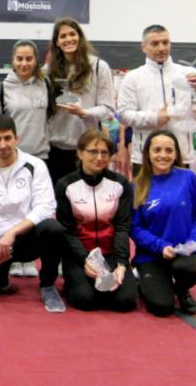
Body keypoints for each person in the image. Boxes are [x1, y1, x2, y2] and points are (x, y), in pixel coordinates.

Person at [0, 115, 66, 313]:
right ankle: (0, 275)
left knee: (53, 229)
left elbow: (46, 206)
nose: (3, 144)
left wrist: (12, 233)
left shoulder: (36, 165)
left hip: (26, 238)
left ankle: (47, 285)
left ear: (16, 139)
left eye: (7, 138)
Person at [55, 130, 137, 312]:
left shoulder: (121, 184)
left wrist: (122, 263)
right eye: (93, 151)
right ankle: (72, 280)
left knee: (126, 302)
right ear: (79, 153)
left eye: (104, 153)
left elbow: (122, 227)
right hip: (80, 255)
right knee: (85, 300)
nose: (99, 158)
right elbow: (68, 231)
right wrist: (85, 260)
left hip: (111, 253)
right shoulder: (65, 185)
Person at [117, 24, 196, 172]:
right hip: (145, 157)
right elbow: (123, 115)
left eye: (165, 42)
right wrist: (154, 118)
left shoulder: (189, 74)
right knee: (145, 189)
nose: (162, 48)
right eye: (155, 43)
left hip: (181, 156)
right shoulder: (133, 78)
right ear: (143, 47)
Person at [131, 130, 196, 316]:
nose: (163, 155)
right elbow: (135, 228)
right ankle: (145, 279)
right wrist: (161, 246)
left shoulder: (188, 178)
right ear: (148, 153)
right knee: (162, 307)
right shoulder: (136, 186)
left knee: (191, 268)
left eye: (169, 150)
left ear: (176, 154)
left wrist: (193, 242)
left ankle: (181, 289)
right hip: (152, 255)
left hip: (184, 252)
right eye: (157, 150)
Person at [0, 40, 53, 278]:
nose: (24, 63)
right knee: (12, 209)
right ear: (13, 60)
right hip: (11, 158)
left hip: (39, 156)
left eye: (29, 59)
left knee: (34, 210)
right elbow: (0, 123)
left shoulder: (45, 84)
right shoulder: (1, 88)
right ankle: (13, 256)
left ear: (36, 60)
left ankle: (29, 258)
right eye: (19, 58)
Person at [44, 18, 115, 185]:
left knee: (89, 197)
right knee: (59, 198)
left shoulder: (99, 67)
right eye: (63, 36)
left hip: (89, 148)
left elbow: (108, 108)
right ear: (57, 42)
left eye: (72, 34)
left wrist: (84, 113)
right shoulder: (47, 70)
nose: (68, 39)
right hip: (55, 149)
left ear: (80, 37)